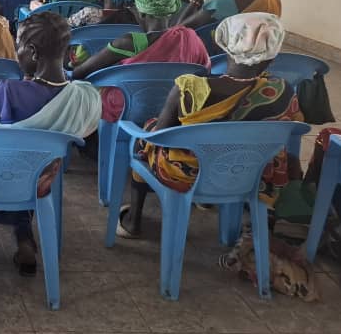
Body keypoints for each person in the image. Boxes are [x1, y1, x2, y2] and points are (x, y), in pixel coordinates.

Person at [116, 12, 302, 240]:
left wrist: (148, 130)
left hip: (188, 175)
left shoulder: (190, 88)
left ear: (225, 47)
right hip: (249, 174)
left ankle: (133, 221)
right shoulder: (282, 92)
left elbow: (159, 136)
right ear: (271, 58)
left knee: (145, 136)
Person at [0, 12, 100, 275]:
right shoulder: (83, 96)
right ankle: (24, 236)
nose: (17, 53)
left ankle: (11, 228)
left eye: (19, 46)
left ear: (33, 52)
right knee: (27, 168)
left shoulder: (9, 90)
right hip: (41, 177)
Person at [72, 0, 209, 81]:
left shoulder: (128, 43)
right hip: (177, 107)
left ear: (142, 14)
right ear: (171, 12)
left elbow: (80, 72)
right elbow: (205, 72)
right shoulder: (190, 38)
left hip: (125, 108)